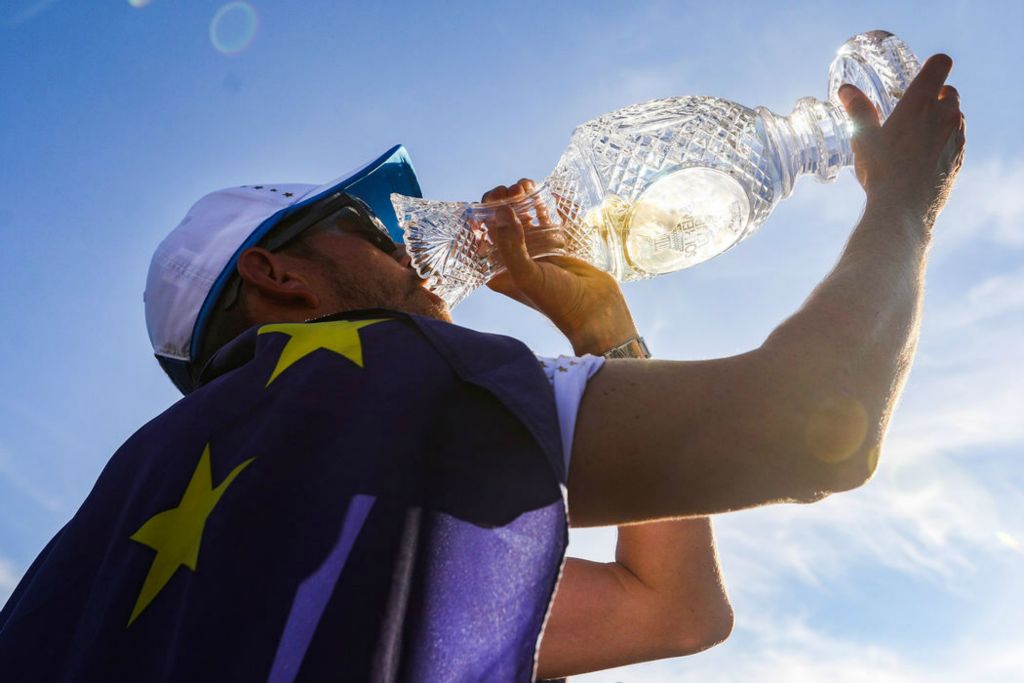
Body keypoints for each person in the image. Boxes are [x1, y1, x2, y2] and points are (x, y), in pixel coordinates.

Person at [0, 54, 963, 682]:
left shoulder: (114, 524)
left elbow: (673, 612)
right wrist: (905, 203)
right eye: (373, 228)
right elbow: (817, 431)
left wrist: (602, 322)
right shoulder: (383, 371)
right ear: (278, 274)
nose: (413, 252)